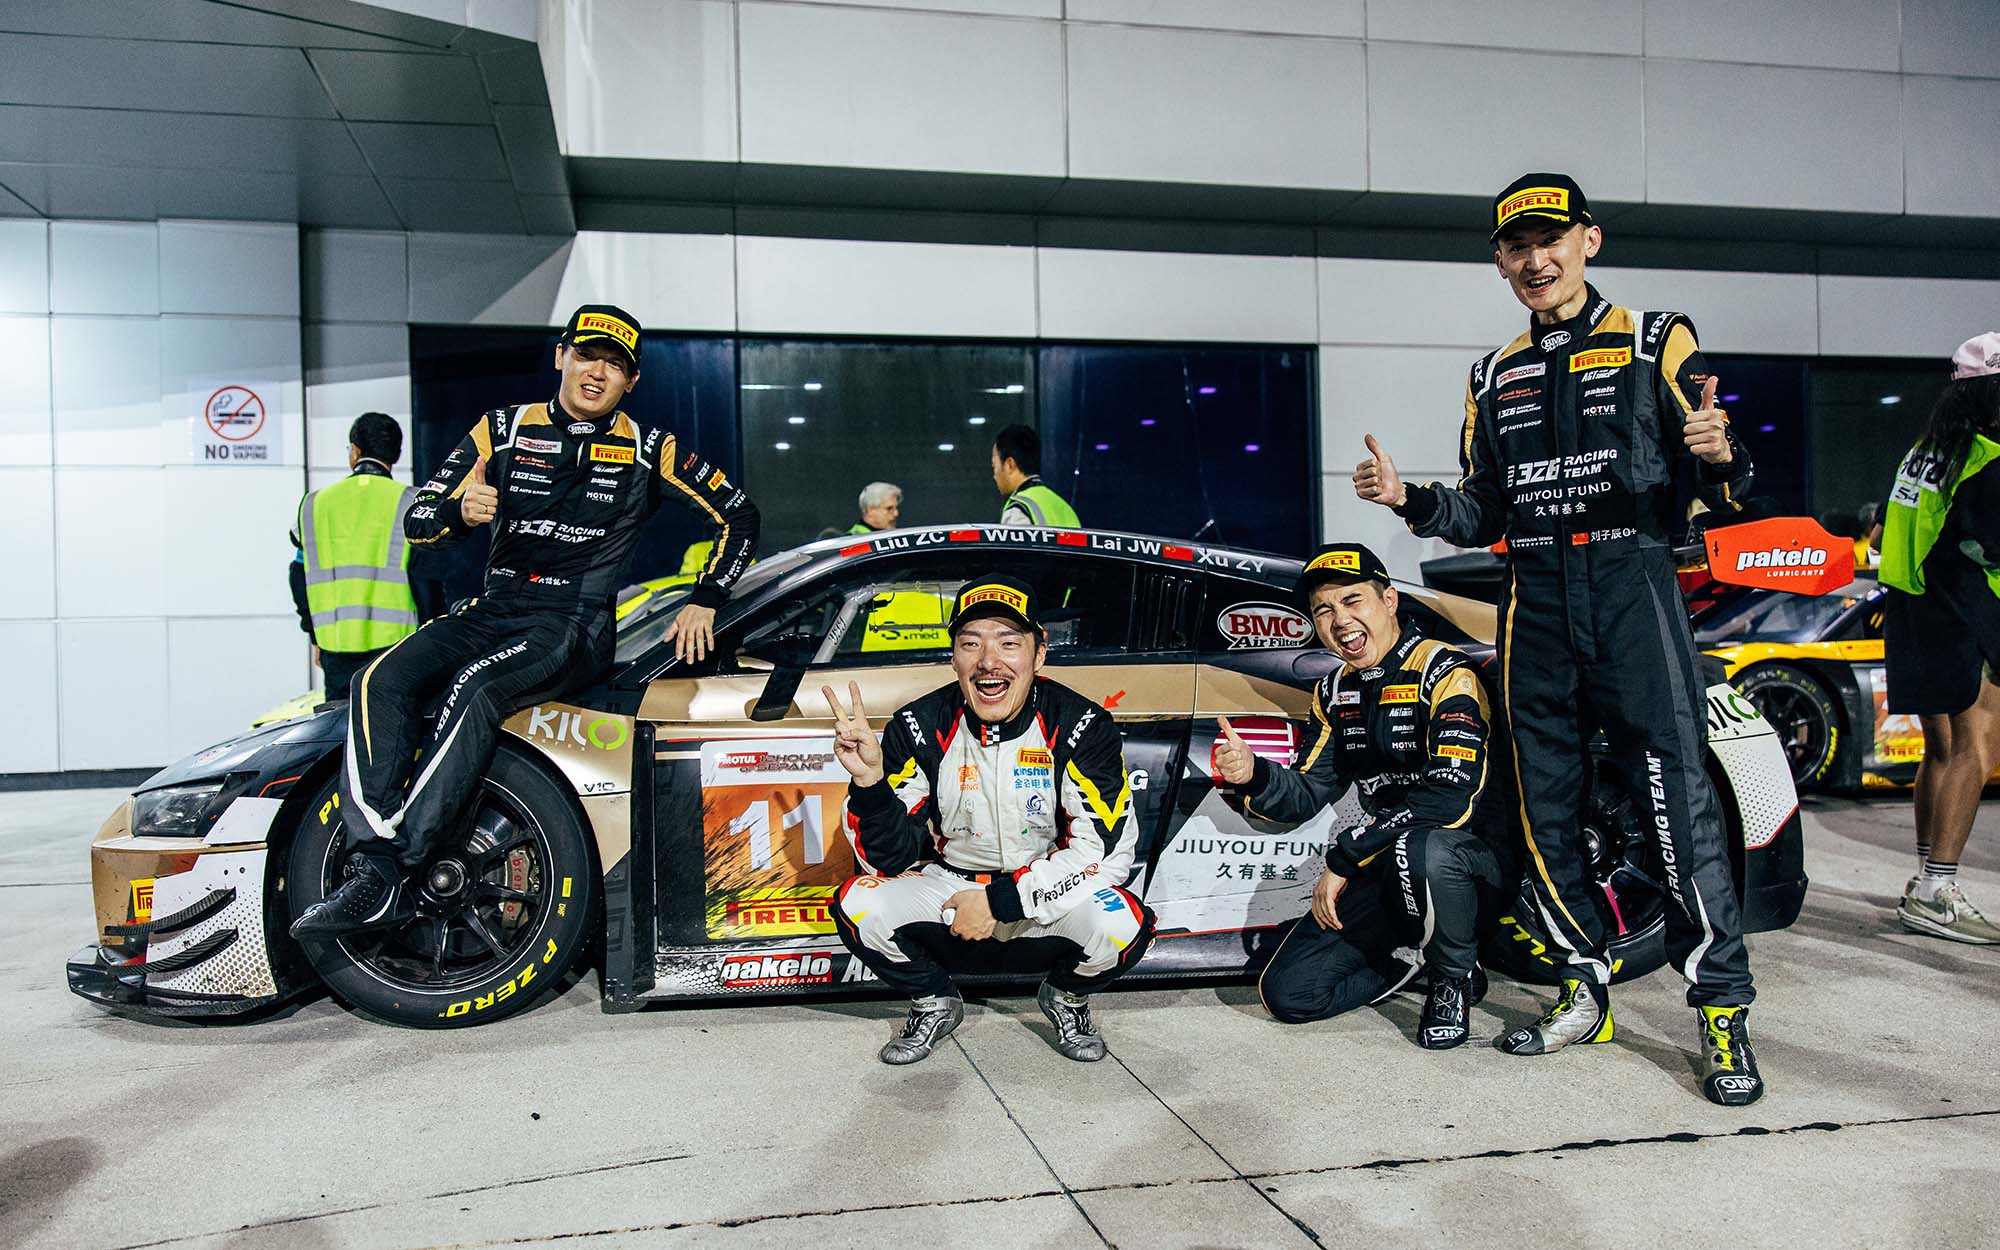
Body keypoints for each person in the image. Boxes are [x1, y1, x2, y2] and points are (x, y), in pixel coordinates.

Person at [1355, 172, 1765, 1106]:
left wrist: (1722, 454)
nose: (1536, 260)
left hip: (1632, 586)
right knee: (1548, 812)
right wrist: (1410, 500)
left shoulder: (1656, 337)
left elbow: (1720, 472)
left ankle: (1721, 1011)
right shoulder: (1491, 373)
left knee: (1677, 805)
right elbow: (1480, 509)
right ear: (1500, 263)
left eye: (1552, 240)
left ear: (1590, 240)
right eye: (1517, 247)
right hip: (1533, 598)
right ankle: (1585, 988)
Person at [291, 304, 760, 939]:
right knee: (378, 680)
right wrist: (459, 512)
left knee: (475, 688)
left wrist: (707, 596)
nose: (597, 372)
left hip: (573, 623)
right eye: (587, 355)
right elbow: (420, 521)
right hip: (496, 607)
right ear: (561, 356)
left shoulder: (652, 448)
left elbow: (739, 514)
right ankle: (372, 863)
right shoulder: (502, 428)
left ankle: (400, 869)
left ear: (631, 382)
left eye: (615, 364)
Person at [824, 575, 1154, 1064]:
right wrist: (870, 783)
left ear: (1039, 654)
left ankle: (1066, 997)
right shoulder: (918, 724)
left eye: (1008, 642)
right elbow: (887, 860)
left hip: (1042, 895)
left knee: (1122, 924)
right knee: (858, 905)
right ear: (954, 658)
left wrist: (1001, 902)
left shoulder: (1081, 724)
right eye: (971, 643)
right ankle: (933, 1001)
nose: (988, 661)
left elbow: (1103, 854)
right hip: (949, 890)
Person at [1213, 543, 1513, 1049]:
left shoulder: (1445, 671)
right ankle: (1414, 960)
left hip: (1469, 863)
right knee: (1290, 994)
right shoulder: (1335, 691)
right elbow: (1308, 790)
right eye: (1323, 611)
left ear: (1389, 601)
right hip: (1385, 861)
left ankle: (1453, 978)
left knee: (1421, 847)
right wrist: (1254, 775)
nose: (1340, 621)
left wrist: (1346, 856)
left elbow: (1450, 796)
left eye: (1353, 601)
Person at [1880, 331, 2000, 944]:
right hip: (1963, 609)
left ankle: (1925, 878)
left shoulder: (1925, 451)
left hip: (1912, 605)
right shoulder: (1986, 457)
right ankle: (1937, 890)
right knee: (1976, 749)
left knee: (1942, 749)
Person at [289, 413, 444, 699]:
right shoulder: (413, 502)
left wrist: (314, 635)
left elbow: (298, 575)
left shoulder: (314, 504)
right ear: (396, 454)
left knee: (343, 724)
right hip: (400, 650)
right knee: (392, 724)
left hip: (336, 648)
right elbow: (427, 580)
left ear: (355, 451)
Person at [992, 424, 1079, 528]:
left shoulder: (1018, 510)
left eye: (994, 466)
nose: (994, 476)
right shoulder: (1066, 509)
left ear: (1009, 465)